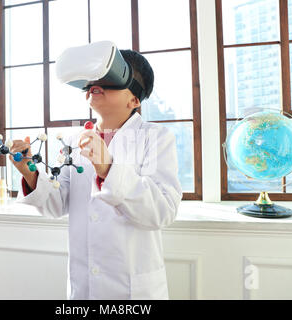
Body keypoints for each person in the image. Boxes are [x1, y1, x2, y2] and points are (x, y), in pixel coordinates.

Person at [10, 49, 183, 300]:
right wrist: (31, 174)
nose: (95, 85)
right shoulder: (73, 140)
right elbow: (58, 204)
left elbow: (163, 211)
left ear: (134, 99)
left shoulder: (155, 138)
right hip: (84, 286)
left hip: (132, 289)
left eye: (108, 78)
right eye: (92, 80)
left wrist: (107, 168)